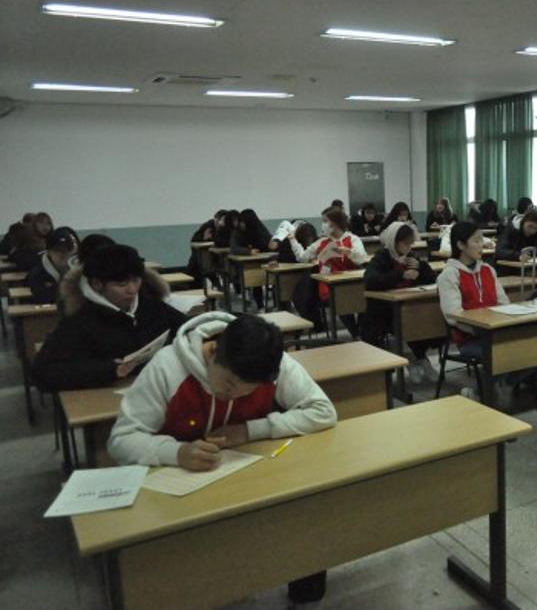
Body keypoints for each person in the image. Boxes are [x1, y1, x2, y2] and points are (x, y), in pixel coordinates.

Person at [107, 312, 336, 605]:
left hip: (245, 475)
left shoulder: (270, 363)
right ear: (213, 350)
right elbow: (121, 440)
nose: (233, 395)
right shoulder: (167, 368)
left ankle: (303, 594)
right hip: (180, 489)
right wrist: (176, 452)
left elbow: (323, 411)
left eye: (246, 390)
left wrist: (250, 430)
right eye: (228, 384)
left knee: (306, 512)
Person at [32, 244, 187, 391]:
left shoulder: (151, 305)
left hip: (157, 386)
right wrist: (109, 370)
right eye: (121, 284)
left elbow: (189, 328)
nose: (132, 290)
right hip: (108, 395)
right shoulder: (81, 320)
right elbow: (42, 373)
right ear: (97, 284)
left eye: (136, 280)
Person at [436, 222, 510, 401]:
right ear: (461, 245)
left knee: (530, 349)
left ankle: (493, 385)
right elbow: (453, 316)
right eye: (476, 241)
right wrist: (482, 329)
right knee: (505, 353)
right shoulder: (449, 275)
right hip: (469, 338)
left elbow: (504, 304)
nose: (481, 245)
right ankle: (480, 391)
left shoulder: (487, 270)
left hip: (495, 333)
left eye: (482, 240)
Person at [362, 222, 440, 383]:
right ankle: (414, 360)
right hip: (385, 309)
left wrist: (421, 267)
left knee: (427, 319)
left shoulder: (411, 257)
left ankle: (419, 359)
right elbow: (370, 281)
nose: (408, 248)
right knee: (406, 322)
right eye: (405, 244)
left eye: (410, 244)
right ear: (394, 242)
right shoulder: (382, 257)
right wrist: (400, 274)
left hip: (410, 304)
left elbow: (433, 278)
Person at [289, 207, 368, 336]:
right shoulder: (321, 242)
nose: (323, 224)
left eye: (325, 221)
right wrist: (293, 240)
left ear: (335, 222)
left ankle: (362, 331)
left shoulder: (352, 239)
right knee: (338, 300)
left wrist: (348, 252)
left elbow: (362, 259)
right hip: (328, 285)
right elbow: (303, 258)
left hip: (351, 282)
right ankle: (356, 333)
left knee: (366, 299)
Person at [26, 227, 78, 304]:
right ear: (49, 252)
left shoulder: (78, 268)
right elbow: (39, 298)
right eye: (57, 250)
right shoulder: (37, 273)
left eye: (67, 249)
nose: (63, 254)